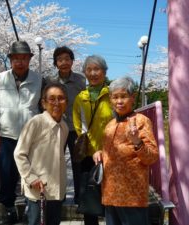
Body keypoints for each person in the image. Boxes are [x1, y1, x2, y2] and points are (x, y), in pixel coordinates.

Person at [0, 40, 42, 223]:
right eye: (16, 58)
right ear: (10, 59)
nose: (20, 61)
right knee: (7, 173)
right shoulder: (0, 78)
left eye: (24, 58)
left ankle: (30, 207)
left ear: (29, 59)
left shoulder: (39, 79)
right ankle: (9, 208)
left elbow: (44, 108)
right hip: (7, 134)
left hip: (31, 136)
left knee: (30, 173)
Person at [93, 76, 159, 225]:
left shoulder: (141, 121)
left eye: (123, 96)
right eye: (115, 97)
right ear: (110, 99)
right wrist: (100, 154)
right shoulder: (110, 125)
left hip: (132, 196)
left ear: (133, 98)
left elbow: (152, 156)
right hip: (110, 194)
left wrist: (137, 141)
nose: (119, 101)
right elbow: (113, 153)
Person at [14, 83, 69, 225]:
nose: (57, 103)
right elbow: (19, 154)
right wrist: (31, 178)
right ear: (43, 103)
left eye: (61, 98)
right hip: (38, 190)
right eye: (52, 99)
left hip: (57, 191)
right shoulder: (35, 123)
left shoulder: (64, 127)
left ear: (66, 103)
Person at [73, 55, 113, 225]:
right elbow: (77, 125)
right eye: (89, 70)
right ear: (85, 73)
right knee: (89, 194)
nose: (93, 73)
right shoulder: (81, 97)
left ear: (104, 72)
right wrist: (90, 146)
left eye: (97, 69)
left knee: (111, 192)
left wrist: (107, 148)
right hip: (89, 154)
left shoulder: (113, 94)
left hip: (112, 153)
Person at [45, 46, 86, 203]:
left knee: (78, 162)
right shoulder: (49, 81)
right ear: (55, 63)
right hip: (56, 127)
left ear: (72, 61)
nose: (64, 62)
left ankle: (79, 196)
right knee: (56, 161)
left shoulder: (81, 80)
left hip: (75, 128)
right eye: (60, 60)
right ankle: (58, 195)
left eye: (67, 59)